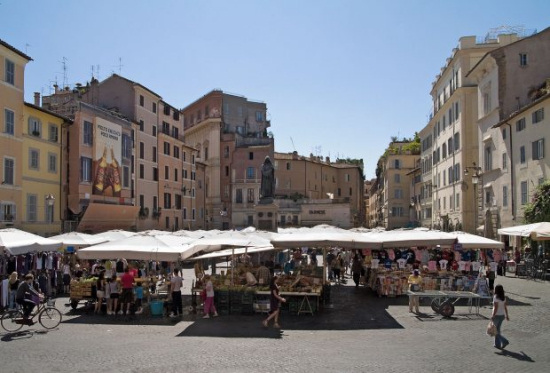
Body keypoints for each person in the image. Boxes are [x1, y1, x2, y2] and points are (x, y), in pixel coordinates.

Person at [491, 284, 510, 349]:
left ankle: (504, 341)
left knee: (495, 331)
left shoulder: (496, 297)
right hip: (502, 315)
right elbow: (505, 307)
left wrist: (493, 315)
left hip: (496, 315)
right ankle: (497, 344)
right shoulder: (503, 297)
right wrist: (507, 315)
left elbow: (495, 308)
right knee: (498, 330)